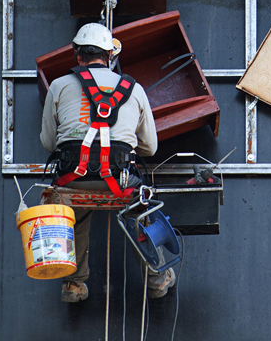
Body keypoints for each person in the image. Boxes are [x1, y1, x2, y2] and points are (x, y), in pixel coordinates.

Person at [40, 23, 174, 303]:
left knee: (74, 216)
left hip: (71, 181)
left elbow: (49, 144)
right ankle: (157, 280)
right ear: (110, 56)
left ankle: (73, 285)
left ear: (77, 56)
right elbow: (150, 147)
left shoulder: (59, 86)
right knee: (141, 214)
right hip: (120, 184)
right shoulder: (133, 89)